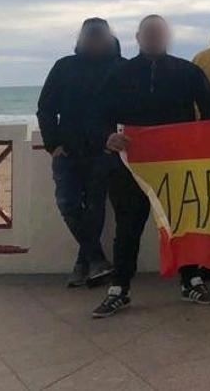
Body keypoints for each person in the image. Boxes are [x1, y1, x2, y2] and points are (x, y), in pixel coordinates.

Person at [92, 15, 210, 317]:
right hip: (131, 168)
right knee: (127, 228)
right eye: (148, 33)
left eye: (159, 33)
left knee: (182, 224)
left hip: (176, 168)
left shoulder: (188, 71)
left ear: (167, 37)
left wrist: (199, 142)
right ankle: (119, 289)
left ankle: (191, 280)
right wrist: (107, 137)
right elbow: (98, 116)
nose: (153, 38)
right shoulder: (119, 74)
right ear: (138, 37)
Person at [37, 18, 124, 289]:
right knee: (68, 204)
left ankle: (83, 264)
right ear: (81, 39)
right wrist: (53, 144)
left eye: (101, 37)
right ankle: (96, 259)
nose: (96, 42)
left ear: (109, 38)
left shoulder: (121, 68)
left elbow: (131, 108)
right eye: (90, 37)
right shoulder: (65, 67)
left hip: (103, 151)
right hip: (67, 151)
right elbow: (46, 108)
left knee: (95, 207)